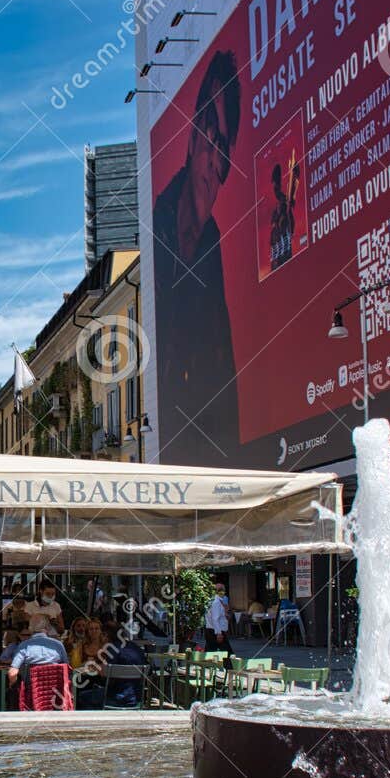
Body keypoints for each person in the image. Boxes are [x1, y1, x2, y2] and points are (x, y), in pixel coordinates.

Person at [152, 46, 242, 466]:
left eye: (224, 151)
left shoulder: (213, 251)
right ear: (191, 137)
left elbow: (224, 383)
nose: (214, 164)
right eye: (211, 137)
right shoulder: (156, 224)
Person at [205, 582, 231, 652]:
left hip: (213, 630)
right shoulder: (216, 602)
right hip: (215, 631)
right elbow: (215, 618)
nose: (224, 592)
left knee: (211, 653)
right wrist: (219, 633)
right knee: (225, 654)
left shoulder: (214, 601)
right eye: (222, 590)